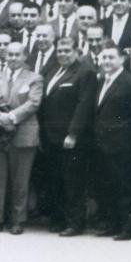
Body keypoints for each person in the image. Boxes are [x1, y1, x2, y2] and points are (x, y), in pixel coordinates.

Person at [0, 42, 43, 234]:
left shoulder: (34, 78)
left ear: (24, 57)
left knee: (20, 179)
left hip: (23, 134)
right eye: (10, 55)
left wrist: (11, 117)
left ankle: (17, 220)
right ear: (4, 56)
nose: (13, 58)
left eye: (17, 55)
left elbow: (33, 103)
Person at [37, 37, 98, 236]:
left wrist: (73, 133)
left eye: (67, 50)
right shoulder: (52, 71)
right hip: (50, 136)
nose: (62, 54)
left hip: (71, 138)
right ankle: (59, 219)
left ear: (77, 51)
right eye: (60, 51)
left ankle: (75, 222)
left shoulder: (85, 72)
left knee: (73, 182)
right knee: (56, 179)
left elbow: (84, 104)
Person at [92, 43, 131, 240]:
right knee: (108, 186)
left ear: (121, 59)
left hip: (123, 145)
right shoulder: (100, 82)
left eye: (110, 57)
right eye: (103, 57)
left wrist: (127, 142)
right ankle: (113, 223)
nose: (106, 61)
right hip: (102, 144)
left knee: (126, 187)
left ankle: (128, 228)